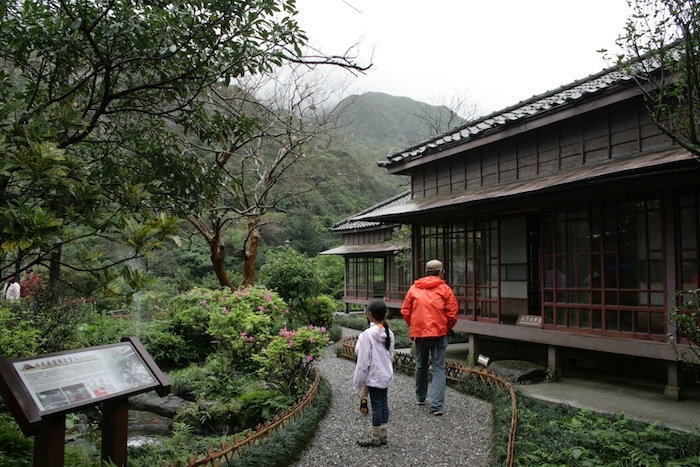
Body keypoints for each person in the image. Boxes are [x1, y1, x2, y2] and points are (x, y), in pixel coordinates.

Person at [401, 259, 458, 416]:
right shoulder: (445, 289)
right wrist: (447, 328)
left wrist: (414, 326)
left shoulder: (414, 288)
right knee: (439, 368)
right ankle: (437, 405)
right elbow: (452, 313)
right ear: (440, 272)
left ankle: (420, 397)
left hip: (420, 333)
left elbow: (405, 311)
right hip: (439, 333)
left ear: (426, 272)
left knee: (421, 365)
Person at [353, 299, 395, 447]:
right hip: (385, 375)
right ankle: (383, 435)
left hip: (374, 376)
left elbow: (363, 359)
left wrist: (358, 381)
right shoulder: (388, 332)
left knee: (376, 405)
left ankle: (375, 438)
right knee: (383, 403)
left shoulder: (368, 334)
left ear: (369, 314)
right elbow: (390, 355)